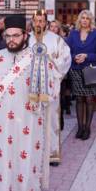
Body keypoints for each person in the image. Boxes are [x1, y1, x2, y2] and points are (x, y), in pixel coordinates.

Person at [0, 15, 59, 191]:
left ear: (25, 35)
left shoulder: (37, 57)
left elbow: (53, 86)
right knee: (2, 162)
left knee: (27, 160)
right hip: (2, 123)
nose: (11, 39)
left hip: (29, 120)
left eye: (16, 35)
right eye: (8, 36)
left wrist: (42, 94)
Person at [28, 10, 71, 164]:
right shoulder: (27, 40)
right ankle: (33, 152)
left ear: (46, 22)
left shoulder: (56, 40)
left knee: (51, 119)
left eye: (41, 20)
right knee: (31, 119)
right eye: (36, 20)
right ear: (32, 22)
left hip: (50, 87)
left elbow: (66, 58)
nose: (39, 23)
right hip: (30, 89)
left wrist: (50, 65)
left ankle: (52, 153)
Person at [67, 10, 96, 139]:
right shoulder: (73, 33)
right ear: (79, 20)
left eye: (87, 18)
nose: (84, 20)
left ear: (91, 20)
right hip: (76, 70)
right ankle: (80, 127)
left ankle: (87, 128)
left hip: (90, 71)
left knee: (89, 99)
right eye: (82, 18)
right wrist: (74, 57)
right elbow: (66, 51)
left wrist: (86, 56)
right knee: (79, 98)